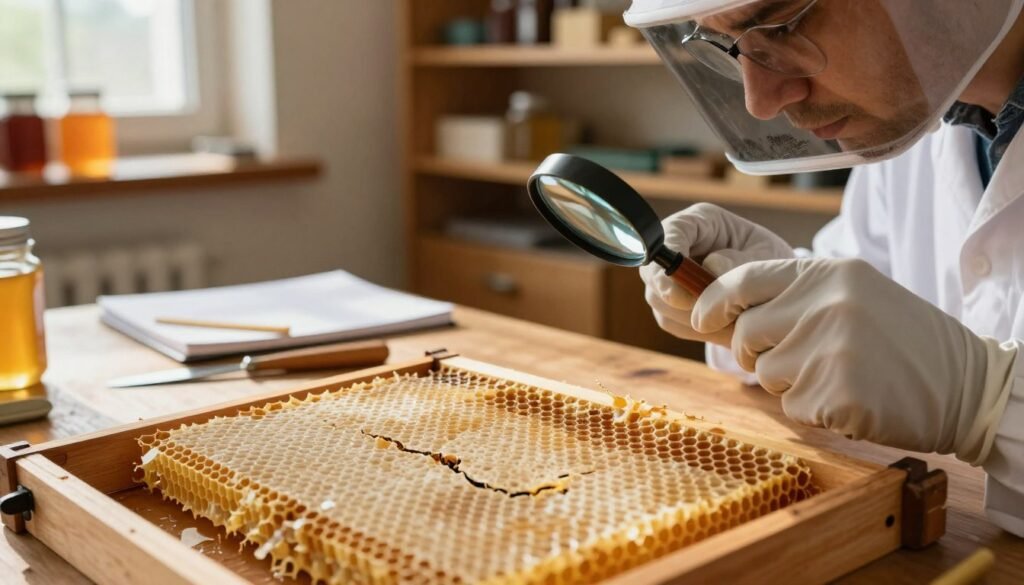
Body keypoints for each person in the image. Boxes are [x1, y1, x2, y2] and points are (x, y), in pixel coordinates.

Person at [624, 0, 1024, 536]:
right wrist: (768, 286)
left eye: (784, 25)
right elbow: (885, 312)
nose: (760, 101)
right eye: (731, 46)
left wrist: (987, 402)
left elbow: (942, 366)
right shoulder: (918, 118)